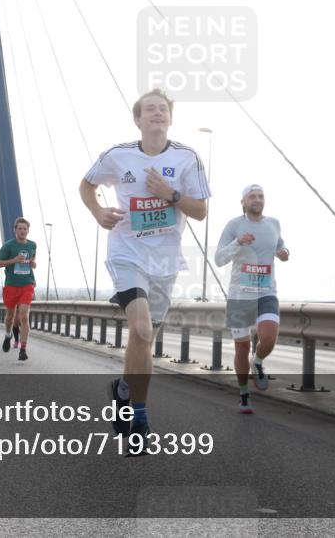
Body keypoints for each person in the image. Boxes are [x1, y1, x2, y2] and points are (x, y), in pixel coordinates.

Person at [80, 88, 210, 453]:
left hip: (164, 261)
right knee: (140, 327)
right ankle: (139, 414)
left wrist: (170, 194)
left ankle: (123, 390)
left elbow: (200, 212)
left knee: (144, 340)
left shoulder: (188, 158)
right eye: (149, 109)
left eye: (162, 109)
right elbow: (86, 184)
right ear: (137, 119)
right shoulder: (118, 156)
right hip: (127, 253)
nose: (157, 113)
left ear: (170, 118)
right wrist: (98, 211)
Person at [215, 185, 289, 414]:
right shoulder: (234, 225)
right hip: (240, 295)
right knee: (241, 347)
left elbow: (280, 245)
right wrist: (238, 242)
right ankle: (244, 395)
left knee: (268, 339)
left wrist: (284, 252)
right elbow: (218, 259)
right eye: (252, 196)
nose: (257, 199)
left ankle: (257, 362)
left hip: (267, 292)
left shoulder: (274, 223)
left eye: (260, 196)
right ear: (243, 202)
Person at [0, 217, 37, 361]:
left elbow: (32, 262)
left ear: (28, 230)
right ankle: (8, 335)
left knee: (24, 316)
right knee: (10, 317)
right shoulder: (8, 246)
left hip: (27, 285)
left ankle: (23, 349)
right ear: (15, 230)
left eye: (25, 229)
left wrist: (33, 264)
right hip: (11, 286)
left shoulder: (32, 245)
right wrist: (14, 260)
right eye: (19, 228)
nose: (22, 231)